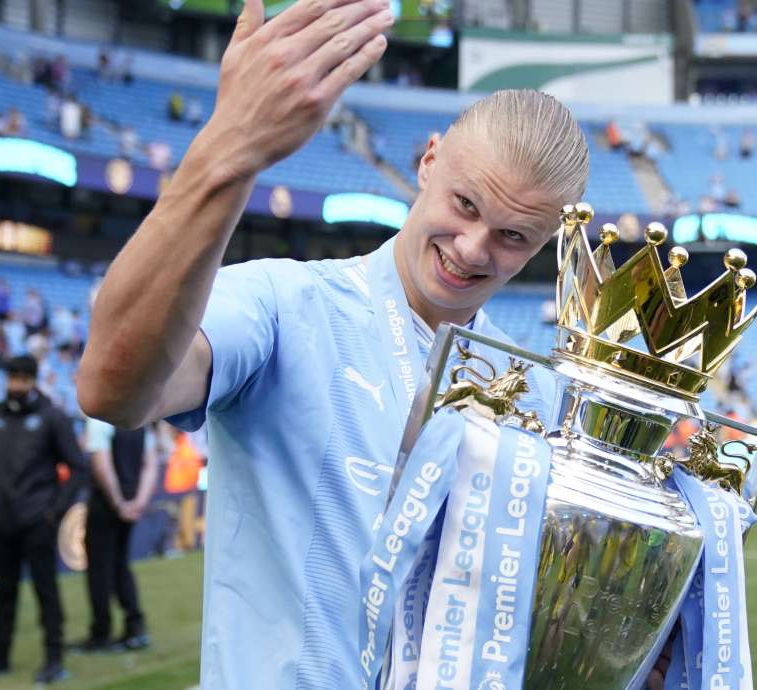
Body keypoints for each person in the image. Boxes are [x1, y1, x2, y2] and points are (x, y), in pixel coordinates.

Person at [77, 1, 586, 686]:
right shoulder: (283, 305)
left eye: (512, 237)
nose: (472, 249)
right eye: (465, 206)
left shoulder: (534, 392)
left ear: (544, 245)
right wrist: (229, 146)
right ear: (428, 160)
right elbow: (112, 387)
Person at [0, 356, 87, 684]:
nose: (16, 385)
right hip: (1, 521)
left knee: (46, 591)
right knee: (4, 592)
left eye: (22, 379)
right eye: (12, 378)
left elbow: (77, 467)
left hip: (36, 521)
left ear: (33, 380)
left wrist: (53, 511)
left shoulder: (52, 418)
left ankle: (54, 657)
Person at [73, 418, 157, 652]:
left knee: (99, 569)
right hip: (130, 500)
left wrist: (118, 502)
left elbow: (102, 463)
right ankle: (135, 626)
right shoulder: (140, 419)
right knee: (121, 564)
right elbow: (150, 464)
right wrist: (139, 501)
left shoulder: (100, 419)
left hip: (107, 504)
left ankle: (101, 633)